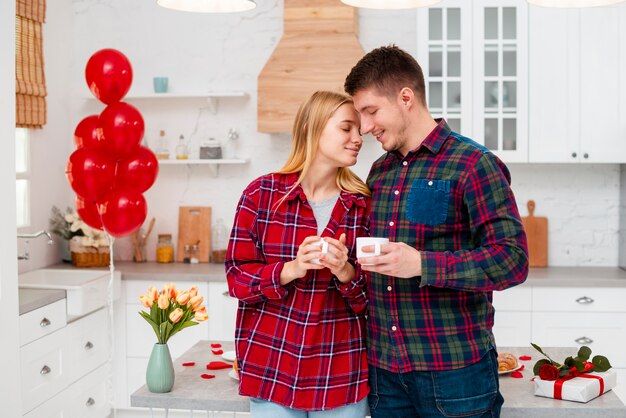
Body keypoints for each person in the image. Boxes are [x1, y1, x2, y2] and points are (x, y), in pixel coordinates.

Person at [344, 45, 529, 418]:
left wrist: (422, 264)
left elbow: (513, 259)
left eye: (371, 111)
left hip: (455, 373)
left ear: (406, 98)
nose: (365, 127)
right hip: (385, 372)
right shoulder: (379, 171)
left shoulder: (474, 164)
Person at [225, 90, 371, 418]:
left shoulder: (363, 204)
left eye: (360, 130)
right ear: (315, 128)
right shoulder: (261, 195)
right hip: (271, 367)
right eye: (347, 128)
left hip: (339, 371)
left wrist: (345, 271)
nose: (358, 138)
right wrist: (290, 269)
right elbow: (237, 280)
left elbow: (374, 300)